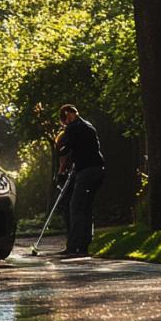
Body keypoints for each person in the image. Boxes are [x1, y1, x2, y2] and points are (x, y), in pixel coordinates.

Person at [54, 104, 105, 257]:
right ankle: (84, 246)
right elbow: (82, 148)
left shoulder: (73, 127)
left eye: (64, 120)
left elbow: (67, 148)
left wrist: (60, 151)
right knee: (86, 207)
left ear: (68, 114)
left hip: (86, 171)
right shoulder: (88, 126)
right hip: (98, 169)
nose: (65, 124)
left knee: (75, 206)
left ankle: (73, 246)